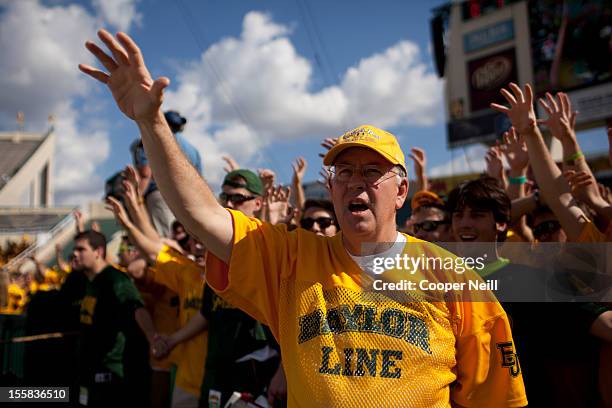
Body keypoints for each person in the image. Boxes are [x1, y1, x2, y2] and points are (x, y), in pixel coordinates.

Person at [80, 30, 527, 407]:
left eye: (372, 172)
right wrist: (152, 124)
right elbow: (203, 217)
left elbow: (494, 397)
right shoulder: (290, 258)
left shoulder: (453, 278)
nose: (356, 183)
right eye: (344, 172)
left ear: (401, 191)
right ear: (330, 188)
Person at [72, 230, 155, 407]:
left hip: (110, 372)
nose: (75, 254)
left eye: (81, 249)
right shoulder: (89, 281)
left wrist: (153, 338)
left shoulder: (115, 280)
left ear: (98, 252)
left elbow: (136, 308)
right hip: (89, 369)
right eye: (75, 249)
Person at [130, 110, 203, 237]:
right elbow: (200, 179)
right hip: (190, 197)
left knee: (164, 239)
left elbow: (146, 174)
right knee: (185, 238)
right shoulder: (193, 149)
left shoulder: (149, 141)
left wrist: (135, 200)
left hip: (160, 195)